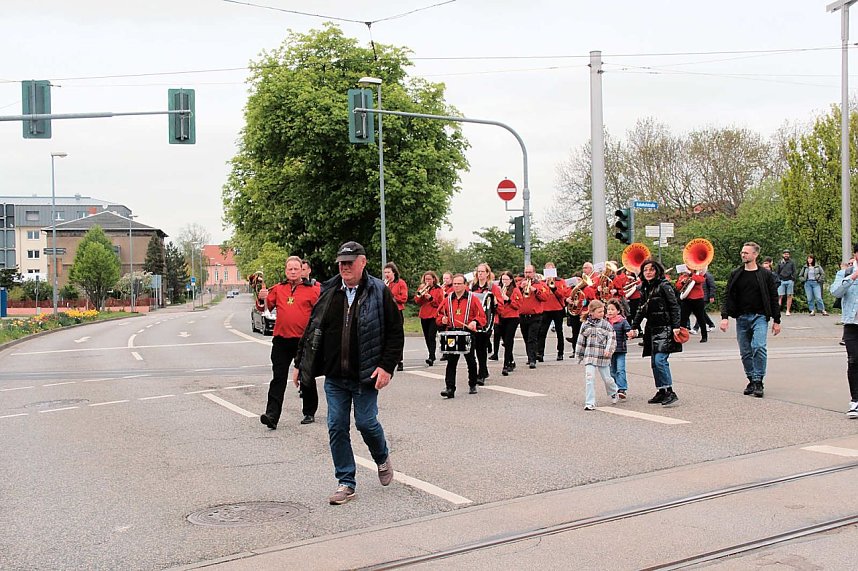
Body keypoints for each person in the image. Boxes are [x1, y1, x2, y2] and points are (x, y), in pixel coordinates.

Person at [294, 241, 404, 505]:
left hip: (366, 374)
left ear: (362, 262)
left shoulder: (378, 291)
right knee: (336, 425)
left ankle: (381, 456)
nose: (344, 267)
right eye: (341, 263)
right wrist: (301, 363)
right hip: (335, 376)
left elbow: (395, 332)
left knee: (366, 423)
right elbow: (313, 328)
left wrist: (386, 366)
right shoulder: (330, 290)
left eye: (349, 262)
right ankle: (346, 481)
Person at [258, 256, 320, 429]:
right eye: (289, 269)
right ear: (285, 271)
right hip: (282, 340)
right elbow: (264, 307)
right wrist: (261, 297)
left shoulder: (313, 290)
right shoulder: (278, 288)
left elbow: (321, 312)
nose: (293, 272)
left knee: (306, 375)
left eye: (296, 268)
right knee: (278, 377)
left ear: (302, 270)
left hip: (303, 340)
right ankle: (272, 415)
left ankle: (309, 411)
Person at [719, 242, 781, 398]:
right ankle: (751, 379)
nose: (743, 255)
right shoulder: (736, 274)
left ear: (755, 255)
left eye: (746, 252)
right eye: (742, 252)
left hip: (759, 317)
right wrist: (724, 317)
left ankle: (759, 380)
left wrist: (777, 320)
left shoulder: (765, 275)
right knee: (745, 351)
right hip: (741, 317)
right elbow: (727, 295)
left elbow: (773, 297)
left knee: (758, 346)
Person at [628, 258, 682, 406]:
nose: (648, 272)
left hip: (665, 328)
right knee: (654, 362)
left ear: (657, 271)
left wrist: (676, 326)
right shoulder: (644, 288)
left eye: (651, 269)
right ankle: (661, 390)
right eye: (645, 270)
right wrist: (633, 327)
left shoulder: (664, 286)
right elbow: (640, 309)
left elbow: (675, 306)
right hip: (651, 329)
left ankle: (670, 391)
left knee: (660, 361)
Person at [436, 273, 487, 397]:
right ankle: (449, 388)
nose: (457, 286)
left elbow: (482, 317)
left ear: (465, 285)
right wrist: (442, 319)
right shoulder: (447, 299)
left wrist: (475, 322)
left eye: (459, 284)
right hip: (452, 332)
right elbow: (438, 315)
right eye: (454, 284)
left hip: (467, 332)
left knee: (470, 360)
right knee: (451, 361)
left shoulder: (472, 299)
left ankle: (472, 383)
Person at [829, 244, 858, 419]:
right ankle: (855, 400)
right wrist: (853, 276)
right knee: (854, 360)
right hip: (851, 324)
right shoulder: (845, 273)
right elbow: (836, 292)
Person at [575, 300, 620, 410]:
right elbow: (581, 341)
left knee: (607, 379)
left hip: (602, 357)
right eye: (599, 312)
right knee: (589, 378)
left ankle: (614, 391)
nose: (602, 314)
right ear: (591, 312)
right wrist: (579, 355)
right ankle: (590, 402)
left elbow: (612, 338)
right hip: (590, 356)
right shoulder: (585, 325)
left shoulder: (606, 325)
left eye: (602, 311)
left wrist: (608, 350)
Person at [470, 263, 503, 385]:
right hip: (475, 320)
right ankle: (483, 370)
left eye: (482, 271)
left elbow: (500, 307)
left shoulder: (492, 287)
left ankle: (481, 373)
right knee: (474, 346)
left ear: (487, 273)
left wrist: (495, 301)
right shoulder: (472, 286)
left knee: (481, 347)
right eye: (478, 271)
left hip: (487, 321)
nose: (480, 274)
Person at [518, 264, 548, 369]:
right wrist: (519, 288)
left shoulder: (540, 285)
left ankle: (532, 359)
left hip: (535, 316)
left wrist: (534, 290)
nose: (528, 274)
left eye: (530, 272)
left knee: (532, 338)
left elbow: (545, 297)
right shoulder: (519, 284)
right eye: (526, 272)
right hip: (522, 315)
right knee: (526, 338)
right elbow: (514, 296)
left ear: (534, 273)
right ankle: (530, 356)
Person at [538, 262, 569, 361]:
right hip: (545, 309)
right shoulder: (542, 282)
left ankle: (560, 353)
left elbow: (562, 294)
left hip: (557, 309)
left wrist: (554, 287)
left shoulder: (560, 281)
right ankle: (540, 353)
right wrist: (546, 285)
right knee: (542, 332)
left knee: (559, 332)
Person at [495, 270, 522, 376]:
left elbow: (518, 305)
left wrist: (508, 299)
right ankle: (511, 361)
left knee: (508, 340)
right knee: (505, 342)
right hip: (501, 317)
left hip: (512, 317)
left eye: (506, 279)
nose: (504, 281)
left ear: (511, 280)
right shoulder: (498, 289)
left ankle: (506, 365)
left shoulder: (515, 290)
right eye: (503, 279)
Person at [414, 271, 444, 365]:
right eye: (426, 279)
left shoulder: (438, 289)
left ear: (434, 279)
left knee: (431, 336)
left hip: (433, 315)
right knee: (427, 336)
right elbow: (417, 301)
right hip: (424, 314)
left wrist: (431, 298)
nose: (427, 281)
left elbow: (440, 303)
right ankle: (431, 354)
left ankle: (431, 356)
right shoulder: (422, 287)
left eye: (429, 279)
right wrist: (422, 296)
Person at [383, 262, 409, 370]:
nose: (386, 275)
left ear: (394, 272)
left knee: (397, 335)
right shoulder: (384, 283)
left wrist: (391, 294)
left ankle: (400, 360)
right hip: (386, 311)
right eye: (385, 272)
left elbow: (404, 298)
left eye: (388, 272)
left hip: (397, 311)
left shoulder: (401, 283)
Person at [606, 299, 631, 398]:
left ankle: (622, 388)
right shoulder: (605, 322)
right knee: (612, 371)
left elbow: (628, 329)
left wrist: (630, 333)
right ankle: (614, 388)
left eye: (612, 309)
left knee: (620, 369)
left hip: (620, 349)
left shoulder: (622, 321)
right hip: (610, 351)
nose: (610, 312)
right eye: (608, 309)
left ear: (618, 311)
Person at [678, 268, 708, 343]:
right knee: (683, 319)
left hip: (698, 299)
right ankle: (682, 336)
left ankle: (704, 336)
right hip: (686, 299)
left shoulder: (699, 274)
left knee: (700, 318)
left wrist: (692, 275)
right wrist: (682, 282)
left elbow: (700, 280)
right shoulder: (684, 276)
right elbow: (678, 286)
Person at [776, 249, 797, 316]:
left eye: (787, 254)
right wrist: (778, 279)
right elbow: (777, 271)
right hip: (781, 280)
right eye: (785, 254)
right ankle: (777, 310)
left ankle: (788, 310)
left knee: (789, 295)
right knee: (780, 296)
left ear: (789, 255)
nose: (786, 255)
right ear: (783, 255)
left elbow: (794, 271)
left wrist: (792, 278)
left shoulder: (792, 262)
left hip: (789, 280)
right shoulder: (780, 262)